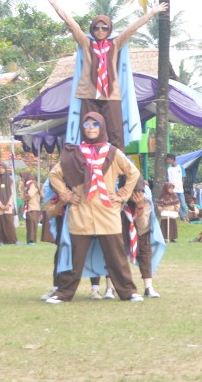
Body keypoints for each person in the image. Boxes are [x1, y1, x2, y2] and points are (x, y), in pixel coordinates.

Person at [45, 112, 143, 303]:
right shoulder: (74, 153)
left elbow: (133, 172)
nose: (90, 128)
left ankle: (128, 291)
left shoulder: (113, 152)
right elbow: (54, 175)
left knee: (116, 257)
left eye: (95, 124)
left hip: (108, 212)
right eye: (87, 124)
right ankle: (63, 293)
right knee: (75, 257)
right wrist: (66, 195)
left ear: (102, 127)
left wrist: (122, 194)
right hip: (81, 212)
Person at [47, 0, 167, 144]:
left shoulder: (115, 44)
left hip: (111, 95)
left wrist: (152, 13)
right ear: (92, 29)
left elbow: (132, 29)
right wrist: (56, 6)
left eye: (104, 28)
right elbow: (72, 25)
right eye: (96, 27)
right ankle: (89, 161)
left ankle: (117, 162)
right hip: (89, 94)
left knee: (115, 131)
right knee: (89, 131)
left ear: (109, 29)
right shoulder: (86, 43)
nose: (100, 31)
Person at [0, 162, 18, 245]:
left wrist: (8, 204)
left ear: (5, 169)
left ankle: (12, 240)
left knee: (9, 223)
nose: (1, 170)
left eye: (2, 168)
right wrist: (0, 204)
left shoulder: (10, 180)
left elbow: (12, 193)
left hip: (8, 207)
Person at [21, 174, 42, 245]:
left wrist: (23, 195)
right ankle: (29, 240)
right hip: (29, 207)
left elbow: (30, 195)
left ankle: (32, 240)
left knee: (32, 224)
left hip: (33, 207)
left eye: (23, 177)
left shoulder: (32, 184)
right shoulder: (27, 185)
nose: (22, 179)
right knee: (29, 224)